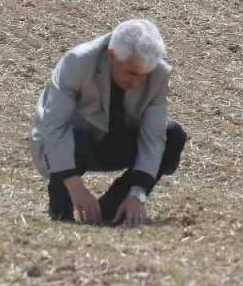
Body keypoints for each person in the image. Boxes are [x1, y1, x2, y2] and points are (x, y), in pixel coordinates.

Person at [29, 19, 187, 227]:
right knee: (78, 140)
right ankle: (61, 214)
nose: (137, 83)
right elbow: (53, 126)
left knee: (173, 135)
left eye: (144, 76)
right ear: (112, 56)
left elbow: (154, 137)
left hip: (115, 139)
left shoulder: (159, 74)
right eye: (131, 73)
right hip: (66, 146)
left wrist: (138, 193)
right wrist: (76, 187)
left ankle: (113, 208)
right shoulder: (78, 61)